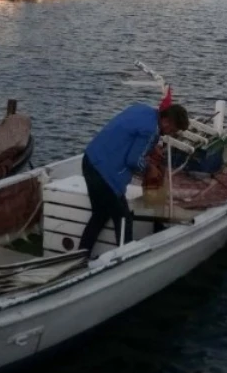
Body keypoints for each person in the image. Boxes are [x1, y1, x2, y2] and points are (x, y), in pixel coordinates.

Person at [79, 102, 189, 257]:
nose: (171, 134)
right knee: (123, 218)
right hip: (107, 174)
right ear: (166, 122)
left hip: (90, 160)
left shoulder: (142, 109)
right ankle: (125, 260)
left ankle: (81, 256)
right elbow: (133, 160)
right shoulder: (151, 130)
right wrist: (149, 168)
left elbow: (131, 133)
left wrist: (151, 146)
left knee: (100, 214)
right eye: (173, 130)